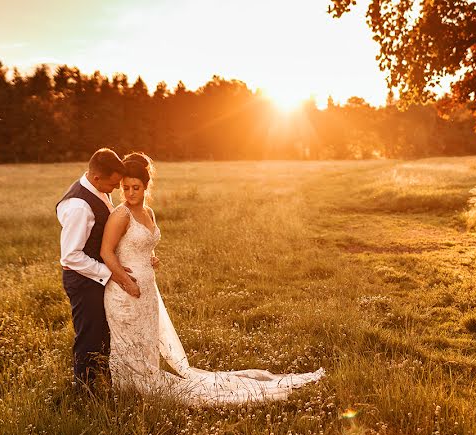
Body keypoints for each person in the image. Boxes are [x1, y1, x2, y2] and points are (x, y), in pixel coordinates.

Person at [101, 152, 324, 403]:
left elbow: (141, 243)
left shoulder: (148, 213)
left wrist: (150, 256)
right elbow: (106, 252)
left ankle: (143, 382)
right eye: (125, 188)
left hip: (148, 290)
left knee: (147, 342)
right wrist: (127, 282)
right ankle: (129, 390)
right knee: (129, 344)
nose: (130, 193)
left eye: (136, 188)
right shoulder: (120, 214)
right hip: (124, 292)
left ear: (146, 186)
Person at [56, 148, 139, 391]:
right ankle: (84, 390)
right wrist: (109, 271)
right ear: (96, 178)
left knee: (103, 333)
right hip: (83, 281)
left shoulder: (97, 188)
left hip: (97, 277)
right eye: (113, 185)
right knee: (89, 336)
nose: (115, 189)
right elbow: (70, 256)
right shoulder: (79, 207)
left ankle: (103, 381)